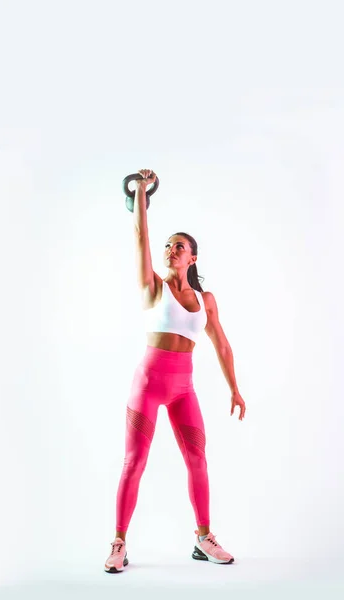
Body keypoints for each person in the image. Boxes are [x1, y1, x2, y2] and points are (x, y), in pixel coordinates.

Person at [104, 169, 246, 573]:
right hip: (147, 386)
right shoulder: (153, 286)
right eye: (167, 245)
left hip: (184, 389)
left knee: (198, 459)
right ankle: (118, 542)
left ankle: (203, 538)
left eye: (178, 246)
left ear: (193, 257)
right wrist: (141, 194)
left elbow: (222, 344)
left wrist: (235, 388)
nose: (170, 249)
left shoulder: (205, 299)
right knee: (134, 462)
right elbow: (139, 239)